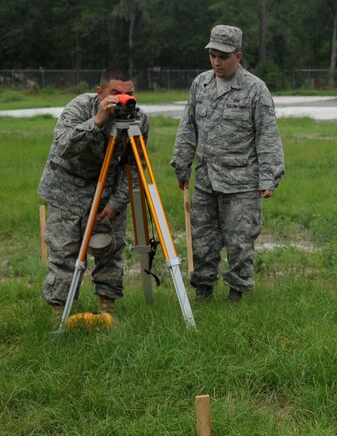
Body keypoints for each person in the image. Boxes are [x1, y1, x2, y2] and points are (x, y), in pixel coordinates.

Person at [171, 24, 285, 302]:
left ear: (238, 55)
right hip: (206, 179)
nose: (216, 62)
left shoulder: (256, 89)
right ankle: (203, 290)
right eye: (212, 55)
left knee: (240, 242)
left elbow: (268, 135)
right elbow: (188, 127)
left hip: (242, 183)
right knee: (203, 239)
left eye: (223, 56)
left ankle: (237, 295)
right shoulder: (201, 84)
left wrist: (269, 177)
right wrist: (182, 164)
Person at [40, 68, 149, 316]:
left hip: (108, 192)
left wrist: (114, 206)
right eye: (115, 93)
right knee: (64, 253)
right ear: (100, 92)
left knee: (110, 252)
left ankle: (107, 310)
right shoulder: (80, 108)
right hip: (67, 189)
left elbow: (136, 169)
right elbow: (62, 147)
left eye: (129, 94)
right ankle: (60, 313)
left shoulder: (138, 120)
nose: (123, 99)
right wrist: (97, 121)